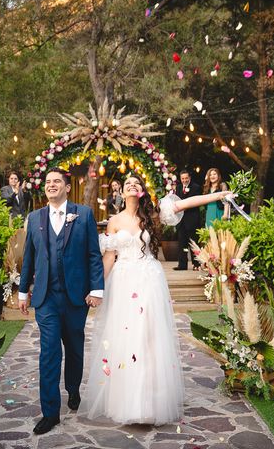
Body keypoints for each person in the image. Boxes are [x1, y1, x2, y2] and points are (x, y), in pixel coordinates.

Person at [83, 173, 232, 425]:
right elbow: (108, 258)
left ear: (141, 190)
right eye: (128, 182)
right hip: (122, 283)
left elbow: (186, 203)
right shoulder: (114, 221)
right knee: (125, 337)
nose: (131, 185)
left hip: (149, 280)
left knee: (149, 338)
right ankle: (126, 400)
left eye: (136, 183)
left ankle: (150, 400)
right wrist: (97, 288)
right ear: (123, 191)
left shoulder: (152, 215)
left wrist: (219, 195)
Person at [18, 168, 104, 435]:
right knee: (49, 353)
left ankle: (74, 390)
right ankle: (50, 412)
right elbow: (28, 259)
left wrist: (97, 289)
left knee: (75, 349)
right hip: (45, 299)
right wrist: (23, 292)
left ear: (67, 187)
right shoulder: (34, 218)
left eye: (57, 181)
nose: (51, 185)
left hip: (76, 297)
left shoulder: (84, 215)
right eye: (48, 182)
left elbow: (93, 254)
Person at [174, 169, 201, 270]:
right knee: (182, 243)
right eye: (182, 178)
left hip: (192, 220)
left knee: (193, 243)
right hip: (181, 220)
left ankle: (196, 264)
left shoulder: (196, 187)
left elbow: (195, 202)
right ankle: (182, 265)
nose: (184, 180)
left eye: (186, 178)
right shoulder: (179, 187)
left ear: (189, 178)